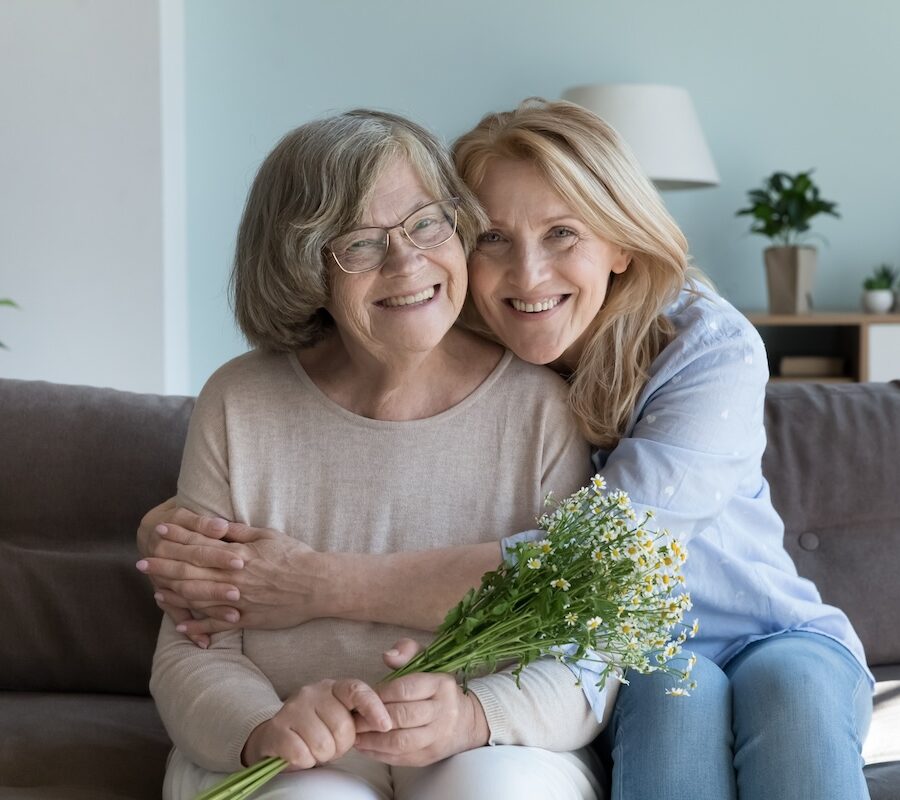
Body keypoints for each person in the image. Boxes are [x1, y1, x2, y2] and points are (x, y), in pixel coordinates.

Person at [139, 100, 873, 800]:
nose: (527, 276)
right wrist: (174, 532)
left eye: (563, 234)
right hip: (642, 656)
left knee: (792, 690)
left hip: (751, 629)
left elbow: (588, 570)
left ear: (621, 240)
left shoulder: (701, 349)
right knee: (676, 702)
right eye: (493, 237)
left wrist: (314, 584)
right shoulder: (464, 327)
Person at [150, 108, 605, 800]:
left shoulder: (543, 409)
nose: (407, 261)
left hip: (487, 747)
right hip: (287, 750)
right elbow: (191, 646)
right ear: (303, 264)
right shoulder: (240, 402)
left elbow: (586, 652)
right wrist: (265, 727)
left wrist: (477, 714)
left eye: (428, 223)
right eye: (360, 243)